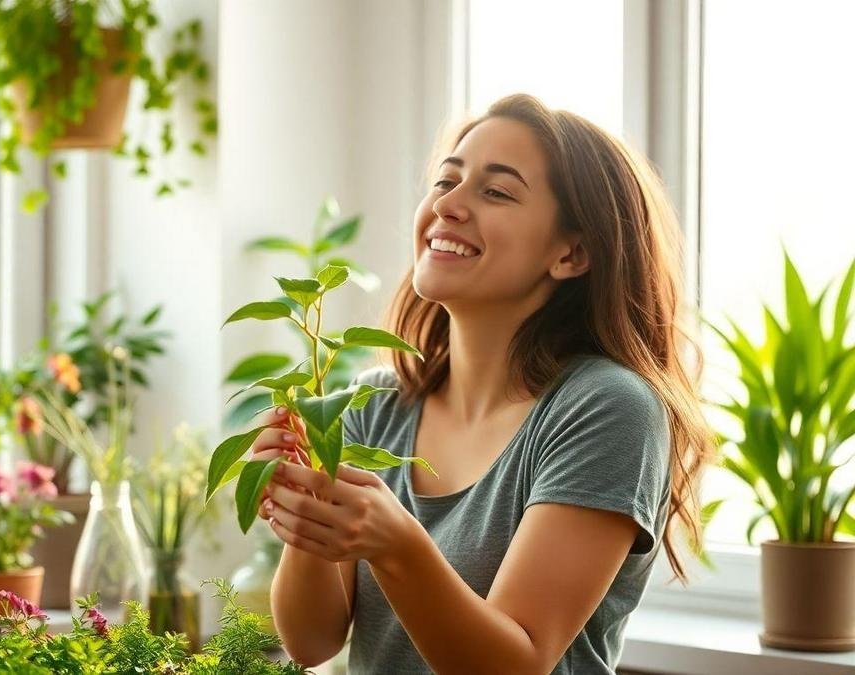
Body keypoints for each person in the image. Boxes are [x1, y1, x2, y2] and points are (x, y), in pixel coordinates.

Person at [248, 94, 715, 674]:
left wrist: (397, 547)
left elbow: (516, 664)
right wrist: (308, 515)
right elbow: (311, 641)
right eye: (446, 181)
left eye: (496, 192)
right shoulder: (375, 404)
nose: (447, 205)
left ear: (572, 253)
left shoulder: (608, 409)